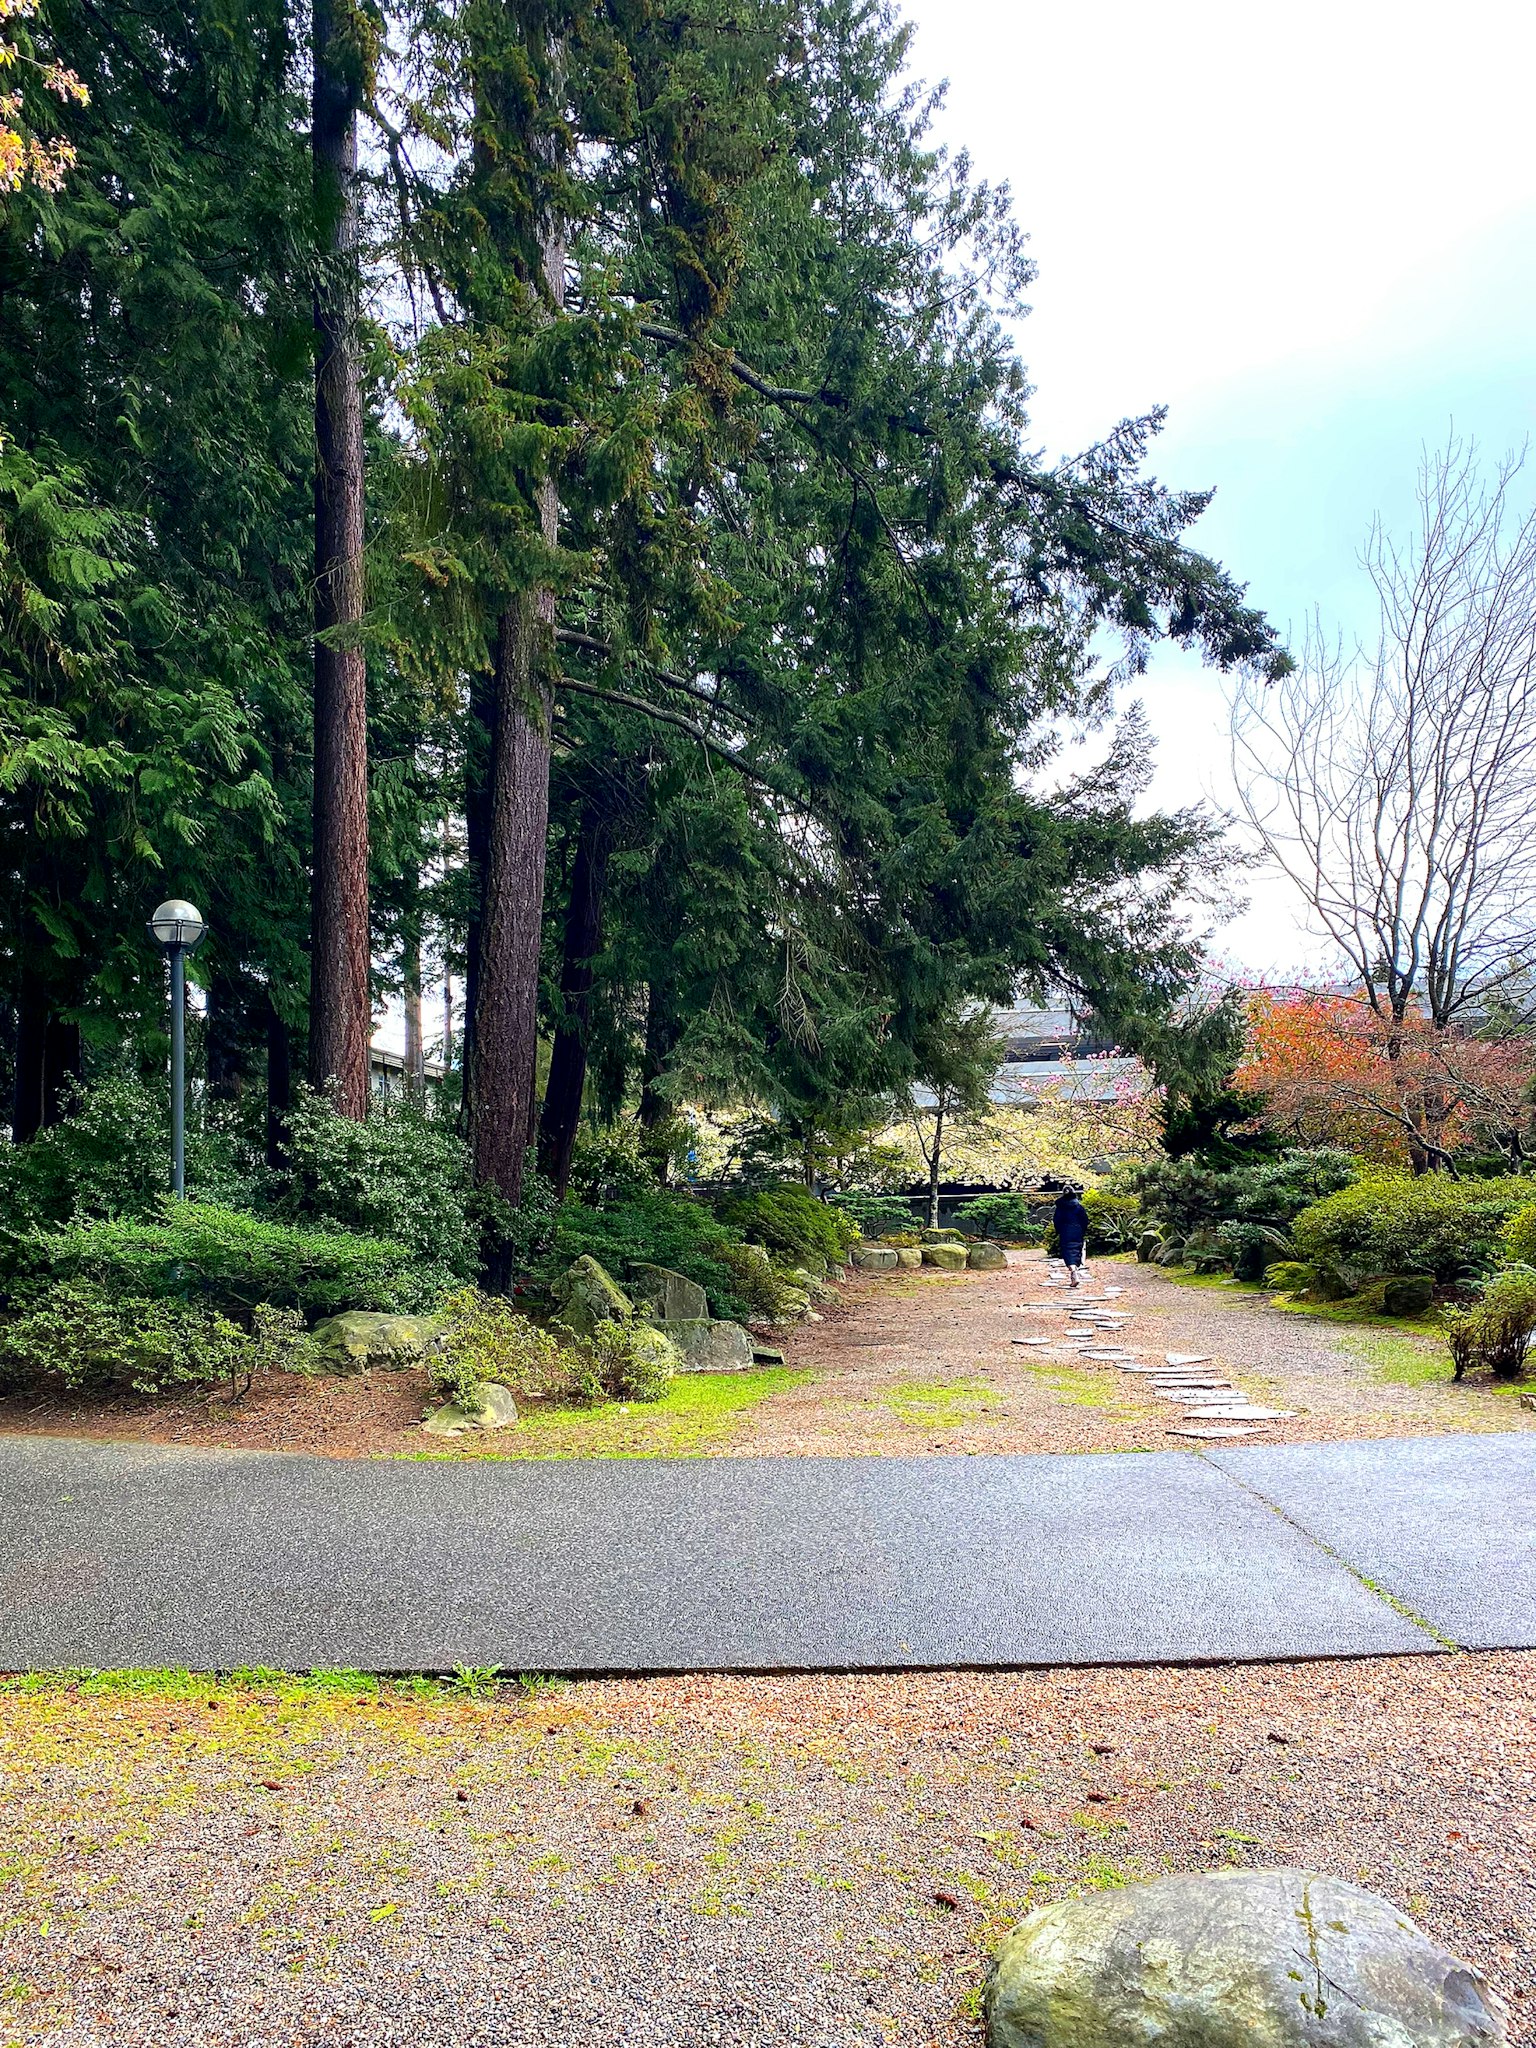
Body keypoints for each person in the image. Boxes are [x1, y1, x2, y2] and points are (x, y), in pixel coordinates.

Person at [1052, 1187, 1090, 1288]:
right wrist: (1083, 1230)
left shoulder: (1060, 1207)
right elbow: (1085, 1220)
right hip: (1077, 1231)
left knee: (1067, 1251)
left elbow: (1056, 1220)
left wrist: (1058, 1231)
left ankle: (1073, 1271)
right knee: (1077, 1250)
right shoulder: (1078, 1207)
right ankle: (1075, 1270)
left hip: (1065, 1231)